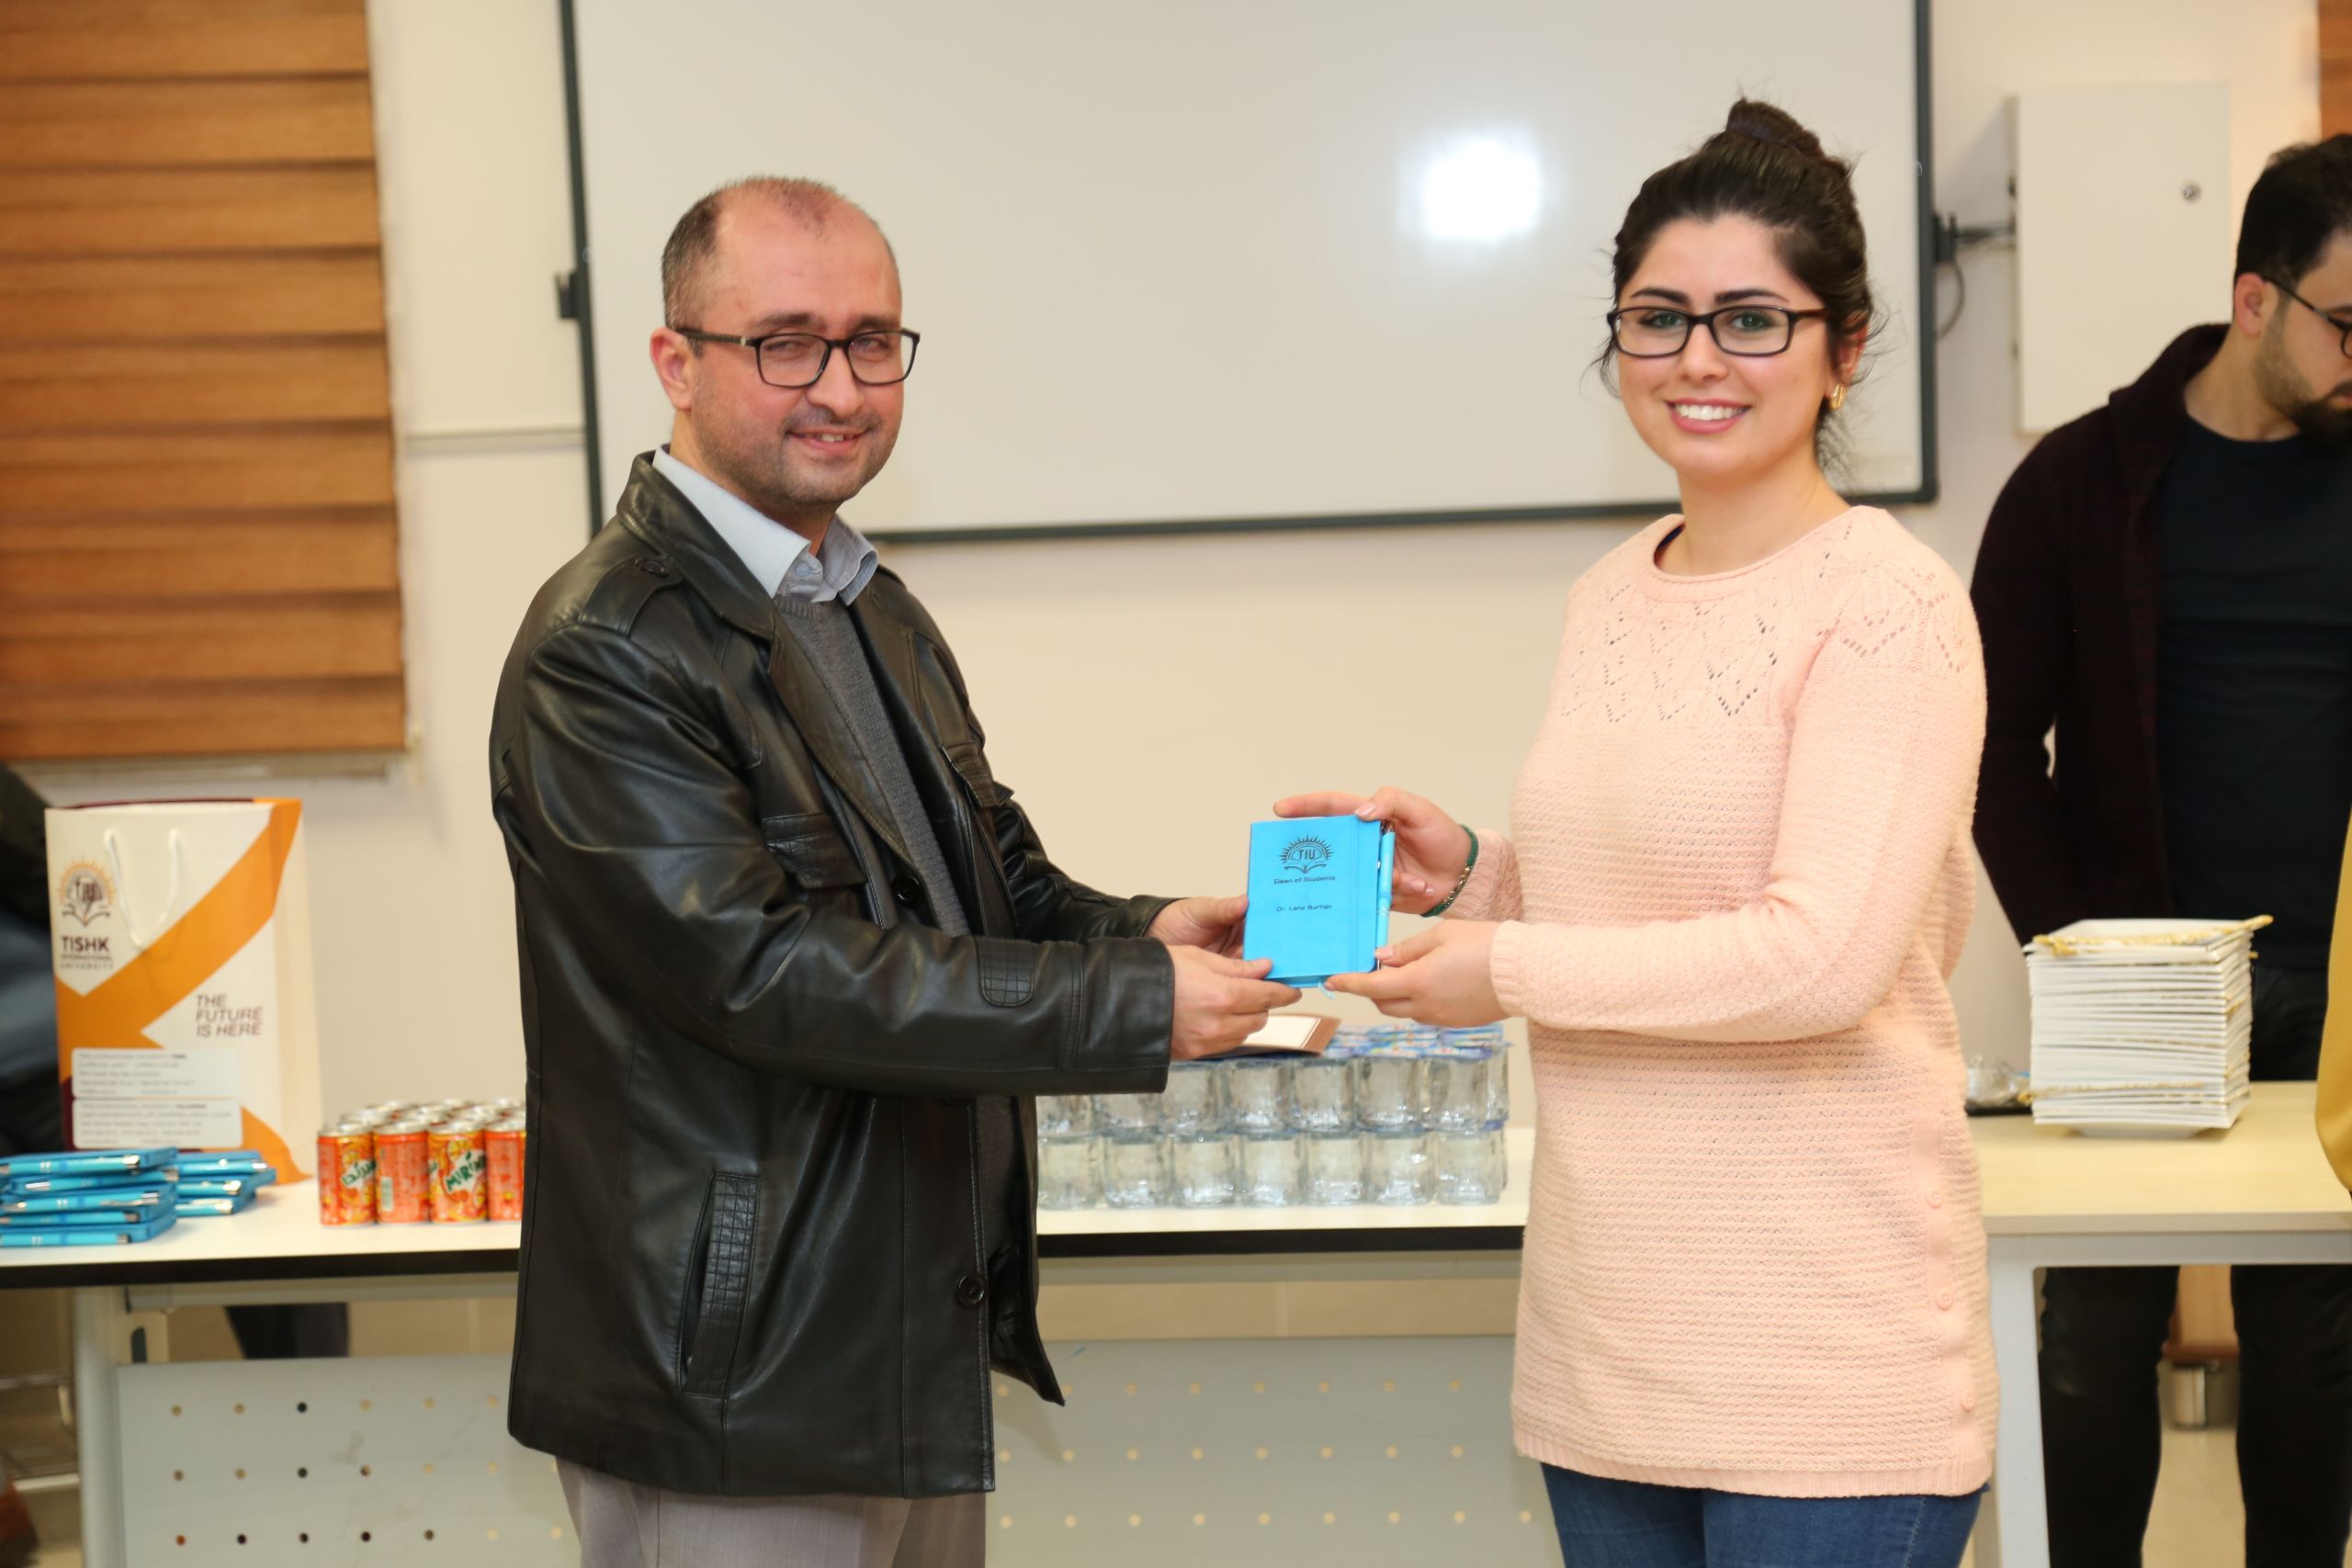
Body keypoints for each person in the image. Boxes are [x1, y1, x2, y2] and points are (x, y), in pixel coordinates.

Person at [487, 176, 1295, 1568]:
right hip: (734, 1376)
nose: (841, 388)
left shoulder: (866, 603)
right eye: (786, 343)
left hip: (903, 1338)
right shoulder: (606, 645)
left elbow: (988, 883)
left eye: (873, 342)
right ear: (676, 362)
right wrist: (1130, 1005)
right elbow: (760, 974)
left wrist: (1151, 930)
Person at [1279, 101, 1992, 1566]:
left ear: (1847, 346)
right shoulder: (1609, 591)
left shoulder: (1890, 603)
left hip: (1826, 1367)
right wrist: (1475, 875)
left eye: (1752, 320)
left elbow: (1818, 961)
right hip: (1609, 1348)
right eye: (1658, 320)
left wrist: (1504, 967)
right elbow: (1639, 900)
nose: (1697, 361)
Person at [1972, 135, 2352, 1568]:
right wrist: (2076, 947)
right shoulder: (2083, 481)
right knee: (2093, 1338)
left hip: (2342, 992)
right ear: (2255, 301)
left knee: (2317, 1349)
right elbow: (1991, 748)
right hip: (2137, 980)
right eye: (2350, 323)